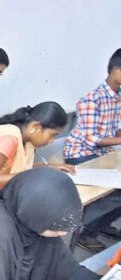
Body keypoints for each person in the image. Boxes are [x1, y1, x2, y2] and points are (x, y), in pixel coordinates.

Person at [64, 48, 121, 253]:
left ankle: (100, 225)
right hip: (81, 154)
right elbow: (92, 139)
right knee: (116, 191)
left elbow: (115, 129)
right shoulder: (92, 99)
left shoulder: (117, 97)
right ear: (116, 70)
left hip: (101, 153)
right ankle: (85, 232)